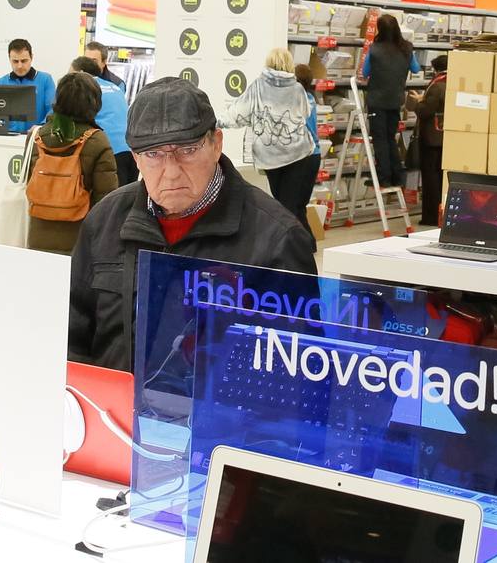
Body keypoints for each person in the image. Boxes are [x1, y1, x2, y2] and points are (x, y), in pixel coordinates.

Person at [69, 77, 318, 371]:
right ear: (135, 158)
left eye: (187, 150)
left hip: (218, 414)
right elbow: (71, 333)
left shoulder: (277, 240)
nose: (171, 172)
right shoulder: (104, 221)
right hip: (107, 412)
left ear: (216, 144)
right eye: (153, 155)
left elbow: (299, 369)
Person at [218, 48, 315, 232]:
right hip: (297, 154)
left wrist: (216, 122)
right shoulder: (297, 89)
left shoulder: (258, 87)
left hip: (270, 157)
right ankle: (298, 245)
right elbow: (305, 114)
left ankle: (293, 244)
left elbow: (238, 114)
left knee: (278, 201)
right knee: (290, 204)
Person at [25, 72, 118, 254]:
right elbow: (106, 201)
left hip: (37, 237)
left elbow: (30, 182)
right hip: (80, 242)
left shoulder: (36, 136)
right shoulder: (97, 140)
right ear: (94, 103)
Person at [362, 13, 420, 187]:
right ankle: (398, 176)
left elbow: (365, 73)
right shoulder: (407, 48)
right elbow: (416, 69)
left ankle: (384, 177)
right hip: (395, 101)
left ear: (380, 29)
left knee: (380, 140)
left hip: (377, 101)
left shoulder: (374, 49)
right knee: (390, 138)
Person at [71, 56, 136, 185]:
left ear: (81, 73)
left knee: (109, 201)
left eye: (71, 73)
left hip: (109, 152)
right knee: (127, 200)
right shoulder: (114, 87)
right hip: (131, 150)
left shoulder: (84, 88)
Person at [412, 54, 448, 227]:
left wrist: (417, 104)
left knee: (430, 178)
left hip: (432, 138)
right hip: (446, 138)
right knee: (442, 177)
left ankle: (430, 216)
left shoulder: (437, 85)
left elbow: (426, 111)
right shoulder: (453, 82)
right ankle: (443, 213)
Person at [0, 38, 55, 133]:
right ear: (9, 59)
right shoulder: (0, 83)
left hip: (36, 138)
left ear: (31, 58)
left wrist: (40, 127)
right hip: (6, 139)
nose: (19, 66)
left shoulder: (46, 80)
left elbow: (53, 110)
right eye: (15, 61)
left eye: (24, 61)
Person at [293, 64, 324, 233]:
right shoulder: (310, 98)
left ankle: (306, 241)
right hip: (314, 155)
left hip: (303, 156)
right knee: (300, 203)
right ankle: (308, 242)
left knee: (294, 204)